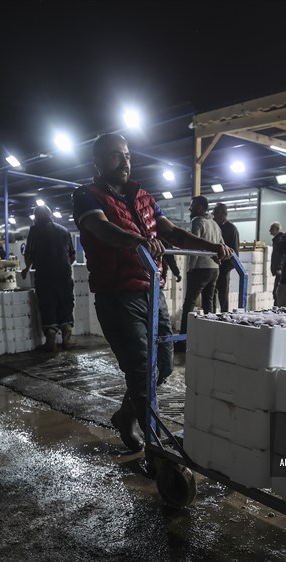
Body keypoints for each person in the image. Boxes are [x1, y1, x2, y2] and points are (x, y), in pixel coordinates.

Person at [72, 133, 233, 453]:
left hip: (152, 292)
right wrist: (138, 240)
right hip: (118, 295)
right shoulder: (86, 195)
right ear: (98, 161)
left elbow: (171, 232)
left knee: (163, 367)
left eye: (127, 154)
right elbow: (101, 228)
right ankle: (154, 442)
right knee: (141, 368)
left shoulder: (143, 196)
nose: (125, 161)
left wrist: (211, 247)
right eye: (116, 155)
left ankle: (125, 415)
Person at [23, 205, 77, 351]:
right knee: (65, 302)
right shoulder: (64, 230)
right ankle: (67, 338)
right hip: (65, 274)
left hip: (45, 273)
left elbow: (29, 253)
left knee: (48, 303)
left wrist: (26, 269)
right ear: (50, 214)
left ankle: (51, 340)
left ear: (36, 217)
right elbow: (72, 255)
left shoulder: (35, 231)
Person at [179, 196, 223, 345]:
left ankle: (183, 339)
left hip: (200, 268)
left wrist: (191, 267)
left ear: (199, 207)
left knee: (189, 303)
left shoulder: (197, 221)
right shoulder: (215, 224)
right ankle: (209, 337)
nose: (190, 209)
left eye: (192, 206)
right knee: (208, 304)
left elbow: (194, 245)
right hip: (214, 269)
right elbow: (221, 245)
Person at [212, 203, 240, 312]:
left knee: (223, 297)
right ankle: (210, 317)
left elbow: (235, 253)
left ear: (220, 214)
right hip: (212, 267)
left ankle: (224, 317)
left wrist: (224, 267)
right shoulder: (214, 227)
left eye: (214, 213)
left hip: (223, 269)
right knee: (211, 296)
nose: (213, 216)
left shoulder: (231, 229)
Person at [269, 222, 285, 298]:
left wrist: (279, 267)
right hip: (279, 271)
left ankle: (278, 308)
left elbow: (281, 255)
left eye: (271, 229)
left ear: (277, 229)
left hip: (280, 271)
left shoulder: (280, 240)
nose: (270, 231)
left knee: (277, 292)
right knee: (276, 292)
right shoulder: (277, 240)